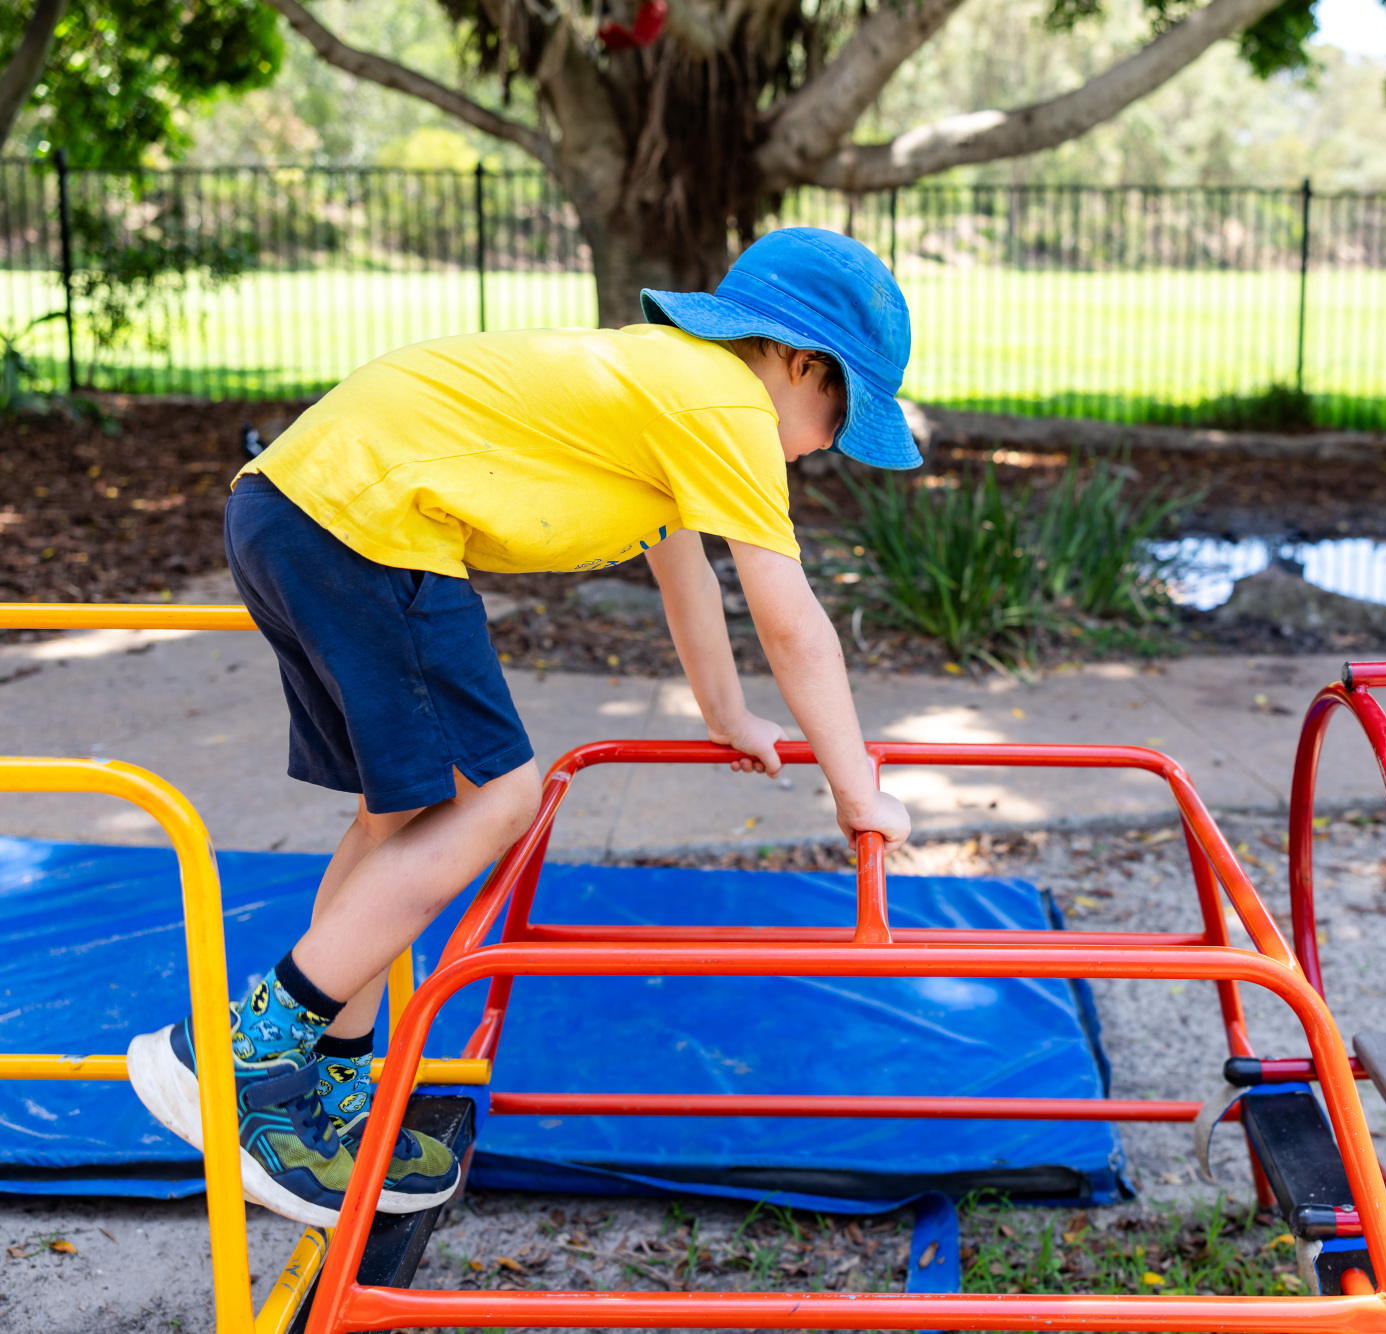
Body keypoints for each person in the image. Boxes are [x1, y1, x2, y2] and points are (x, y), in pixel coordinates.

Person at [126, 227, 916, 1227]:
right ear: (799, 361)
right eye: (837, 414)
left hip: (295, 505)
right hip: (375, 521)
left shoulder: (663, 394)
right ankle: (239, 1054)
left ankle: (324, 1088)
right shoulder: (724, 403)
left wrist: (725, 714)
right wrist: (856, 791)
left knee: (399, 817)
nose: (828, 444)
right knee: (500, 796)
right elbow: (790, 617)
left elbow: (687, 575)